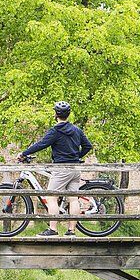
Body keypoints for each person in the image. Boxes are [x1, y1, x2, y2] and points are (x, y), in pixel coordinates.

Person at [18, 101, 93, 236]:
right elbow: (88, 146)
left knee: (51, 197)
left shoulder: (56, 131)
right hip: (75, 168)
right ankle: (71, 231)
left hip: (61, 168)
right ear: (68, 114)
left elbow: (41, 144)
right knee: (73, 199)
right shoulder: (77, 130)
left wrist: (24, 153)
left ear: (55, 114)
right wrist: (77, 156)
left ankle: (53, 229)